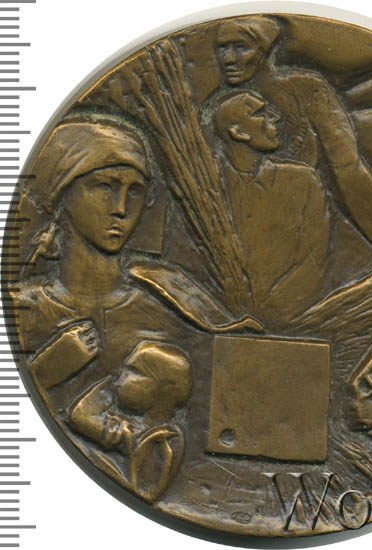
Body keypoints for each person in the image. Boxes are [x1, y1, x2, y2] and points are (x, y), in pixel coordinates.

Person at [9, 120, 261, 414]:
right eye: (105, 186)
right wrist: (44, 372)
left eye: (134, 191)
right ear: (63, 194)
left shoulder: (168, 312)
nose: (120, 208)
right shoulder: (19, 309)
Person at [211, 15, 372, 259]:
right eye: (222, 48)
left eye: (240, 47)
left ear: (263, 51)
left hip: (317, 229)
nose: (228, 58)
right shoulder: (222, 111)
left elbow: (348, 169)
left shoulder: (307, 88)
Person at [213, 90, 330, 327]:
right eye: (260, 114)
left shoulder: (303, 182)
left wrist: (270, 310)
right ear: (238, 132)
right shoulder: (205, 187)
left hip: (291, 319)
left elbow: (315, 259)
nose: (275, 120)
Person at [69, 340, 192, 503]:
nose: (120, 378)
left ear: (165, 389)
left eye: (134, 371)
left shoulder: (161, 443)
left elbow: (81, 416)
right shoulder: (134, 429)